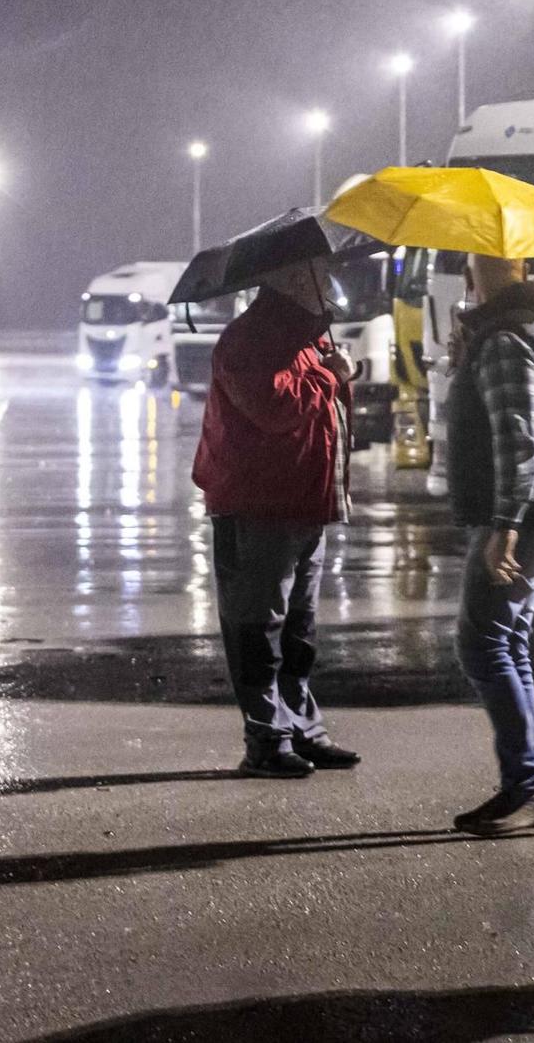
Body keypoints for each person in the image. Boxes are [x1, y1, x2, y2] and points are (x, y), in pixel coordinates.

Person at [192, 262, 360, 779]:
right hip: (260, 505)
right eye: (317, 273)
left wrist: (333, 371)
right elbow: (276, 407)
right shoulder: (248, 341)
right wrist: (334, 375)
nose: (326, 283)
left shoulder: (302, 338)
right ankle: (266, 738)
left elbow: (324, 412)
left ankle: (302, 730)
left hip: (306, 502)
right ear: (290, 280)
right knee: (257, 628)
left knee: (298, 633)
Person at [445, 253, 534, 837]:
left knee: (481, 646)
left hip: (521, 518)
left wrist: (505, 522)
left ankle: (528, 787)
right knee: (508, 640)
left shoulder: (506, 338)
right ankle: (530, 785)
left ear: (482, 266)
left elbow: (517, 437)